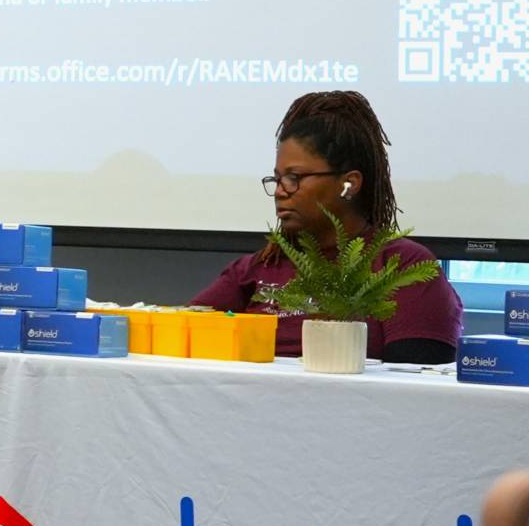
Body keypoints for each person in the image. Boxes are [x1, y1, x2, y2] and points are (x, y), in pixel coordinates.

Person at [194, 90, 461, 362]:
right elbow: (181, 344)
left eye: (295, 177)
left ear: (349, 184)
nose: (280, 191)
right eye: (277, 179)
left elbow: (417, 389)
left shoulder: (399, 265)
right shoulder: (255, 269)